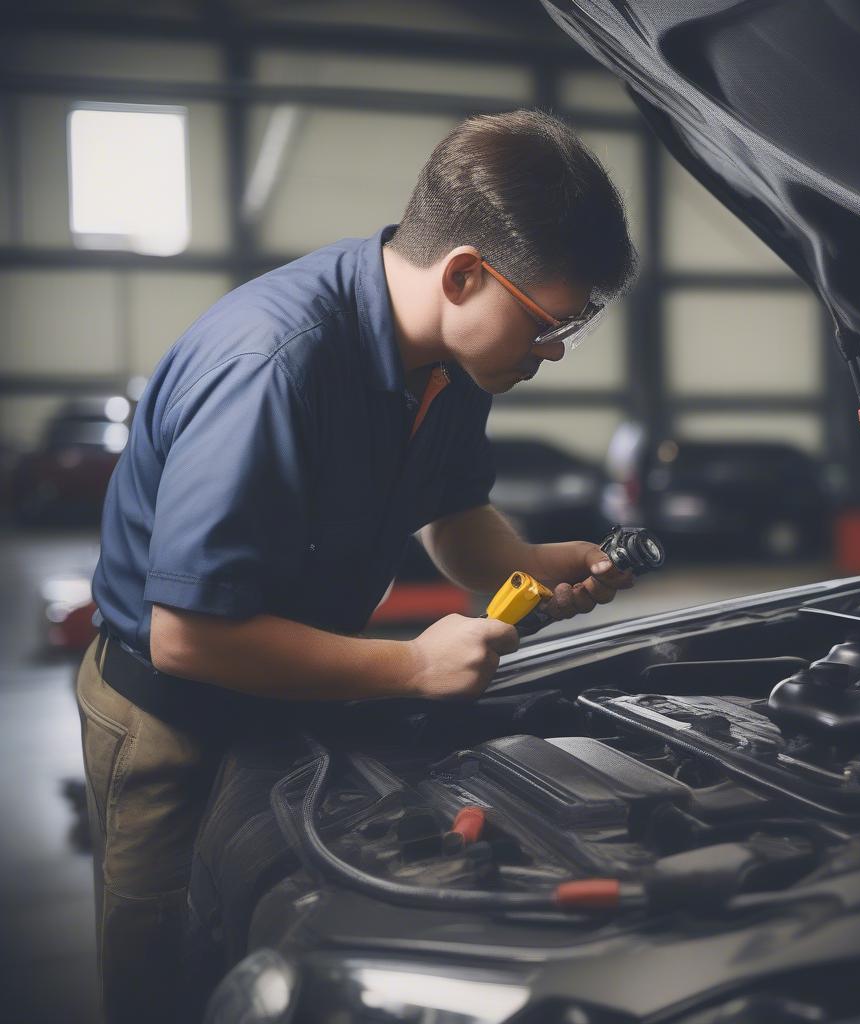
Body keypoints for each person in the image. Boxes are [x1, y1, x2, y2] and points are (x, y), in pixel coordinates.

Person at [75, 108, 637, 1022]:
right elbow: (189, 636)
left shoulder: (451, 365)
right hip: (167, 713)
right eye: (547, 323)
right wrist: (413, 665)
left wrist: (531, 563)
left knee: (267, 923)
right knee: (164, 956)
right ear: (463, 274)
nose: (554, 350)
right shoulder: (273, 364)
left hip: (293, 689)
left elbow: (452, 519)